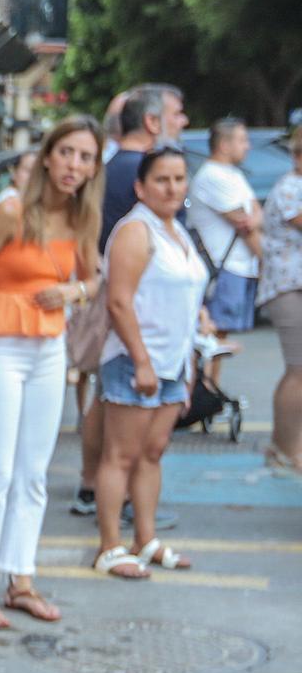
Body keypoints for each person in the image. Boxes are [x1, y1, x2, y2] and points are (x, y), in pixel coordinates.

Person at [0, 116, 105, 627]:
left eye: (86, 158)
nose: (74, 166)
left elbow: (94, 278)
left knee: (34, 471)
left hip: (48, 347)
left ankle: (21, 580)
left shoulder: (84, 217)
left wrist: (73, 292)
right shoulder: (11, 212)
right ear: (48, 155)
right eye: (67, 153)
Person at [73, 84, 188, 517]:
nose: (172, 188)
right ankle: (115, 517)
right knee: (124, 443)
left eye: (179, 181)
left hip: (114, 307)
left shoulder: (104, 169)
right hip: (131, 321)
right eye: (177, 114)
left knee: (104, 405)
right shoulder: (144, 183)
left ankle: (94, 489)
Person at [93, 147, 205, 579]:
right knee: (120, 456)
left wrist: (187, 364)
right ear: (141, 186)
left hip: (172, 362)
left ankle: (146, 538)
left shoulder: (175, 229)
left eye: (179, 179)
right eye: (162, 179)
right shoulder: (136, 231)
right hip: (134, 360)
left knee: (152, 454)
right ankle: (109, 546)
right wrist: (141, 361)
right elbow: (119, 302)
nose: (172, 187)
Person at [187, 117, 261, 401]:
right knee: (208, 336)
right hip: (223, 267)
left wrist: (252, 219)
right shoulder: (213, 176)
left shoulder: (234, 174)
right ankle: (198, 398)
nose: (248, 146)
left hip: (237, 266)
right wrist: (267, 262)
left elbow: (254, 211)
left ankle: (207, 397)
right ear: (224, 143)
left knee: (217, 338)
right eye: (242, 140)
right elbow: (243, 224)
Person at [258, 129, 302, 475]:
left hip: (294, 285)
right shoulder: (289, 189)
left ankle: (285, 444)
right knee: (297, 369)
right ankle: (285, 449)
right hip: (287, 287)